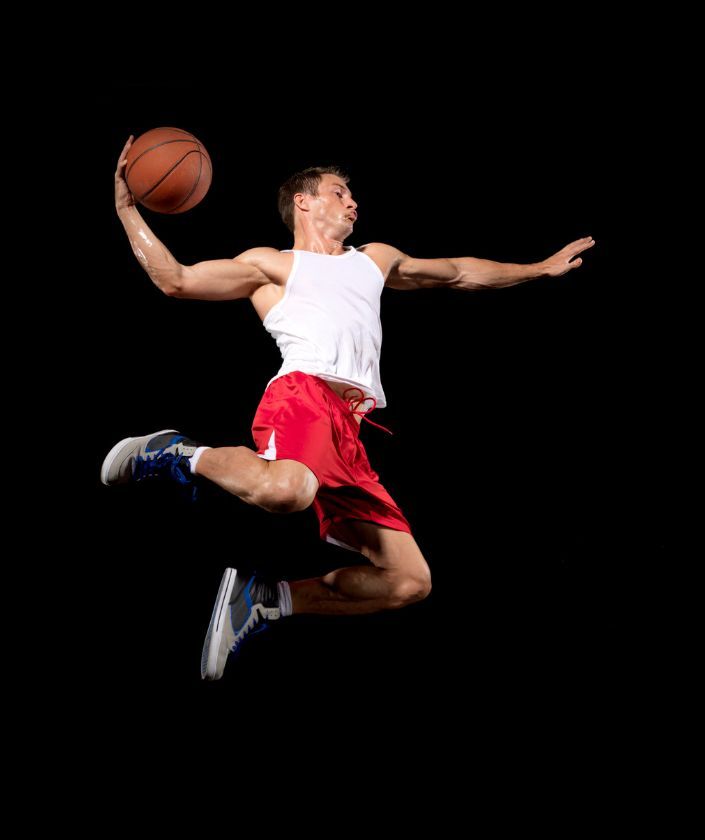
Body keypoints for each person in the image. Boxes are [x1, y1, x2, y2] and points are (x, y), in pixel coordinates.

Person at [102, 135, 596, 680]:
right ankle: (174, 454)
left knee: (409, 580)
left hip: (350, 427)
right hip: (303, 396)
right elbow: (176, 279)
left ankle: (267, 599)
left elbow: (457, 271)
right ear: (304, 201)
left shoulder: (375, 260)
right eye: (341, 192)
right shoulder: (271, 265)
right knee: (287, 489)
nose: (354, 202)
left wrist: (537, 269)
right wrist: (127, 210)